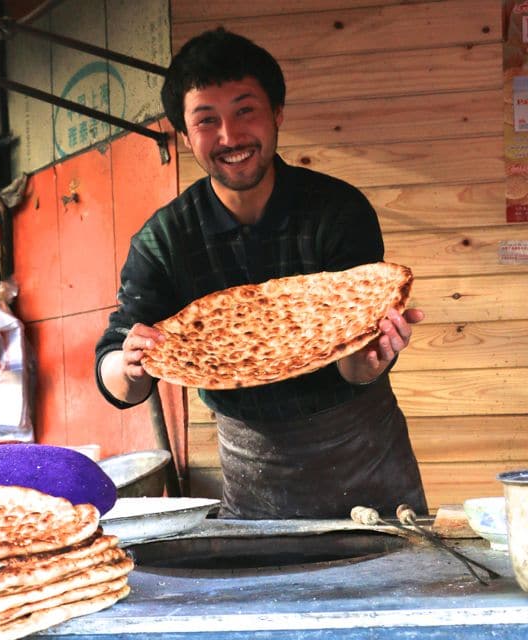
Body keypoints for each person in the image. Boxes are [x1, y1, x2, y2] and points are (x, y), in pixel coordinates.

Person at [95, 27, 428, 519]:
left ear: (277, 114)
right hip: (253, 473)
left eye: (245, 110)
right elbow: (118, 373)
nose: (230, 137)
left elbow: (354, 364)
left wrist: (371, 357)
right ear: (186, 137)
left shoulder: (337, 211)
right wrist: (127, 365)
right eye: (207, 121)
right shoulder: (164, 240)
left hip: (365, 455)